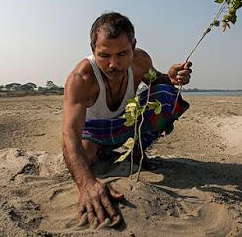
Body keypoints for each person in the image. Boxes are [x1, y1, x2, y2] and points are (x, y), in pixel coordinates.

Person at [62, 12, 192, 228]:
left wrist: (169, 77)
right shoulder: (81, 78)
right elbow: (69, 132)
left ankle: (137, 153)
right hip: (93, 131)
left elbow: (155, 80)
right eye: (104, 56)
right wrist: (86, 185)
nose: (114, 64)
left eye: (122, 53)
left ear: (133, 45)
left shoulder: (140, 61)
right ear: (93, 49)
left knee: (167, 94)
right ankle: (103, 151)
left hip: (126, 124)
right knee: (84, 159)